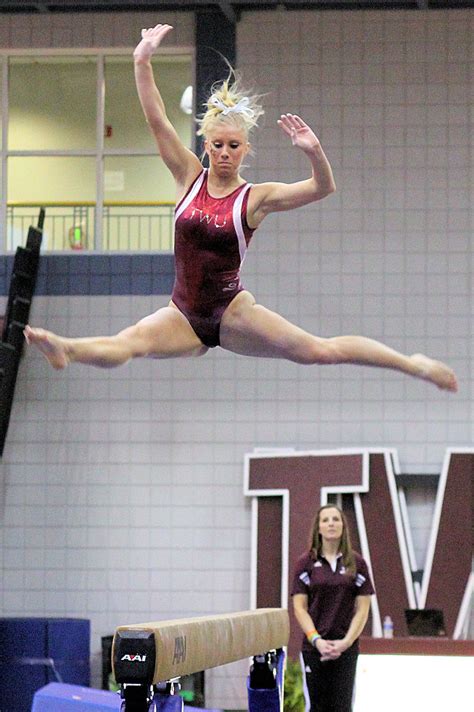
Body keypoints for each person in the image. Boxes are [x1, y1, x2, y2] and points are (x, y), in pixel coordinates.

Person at [24, 23, 458, 393]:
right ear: (206, 145)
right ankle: (67, 348)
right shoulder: (187, 177)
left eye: (234, 146)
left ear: (245, 149)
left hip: (232, 312)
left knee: (317, 351)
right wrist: (142, 62)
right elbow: (157, 120)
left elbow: (322, 188)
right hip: (183, 313)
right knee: (128, 343)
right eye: (217, 145)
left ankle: (412, 363)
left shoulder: (255, 198)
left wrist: (313, 151)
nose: (225, 153)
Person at [292, 504, 375, 712]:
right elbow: (300, 608)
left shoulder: (356, 563)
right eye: (326, 520)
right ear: (318, 528)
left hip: (345, 649)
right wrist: (316, 640)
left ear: (343, 527)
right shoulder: (306, 563)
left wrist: (346, 642)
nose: (331, 524)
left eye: (336, 519)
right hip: (314, 648)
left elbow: (363, 609)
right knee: (317, 707)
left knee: (342, 707)